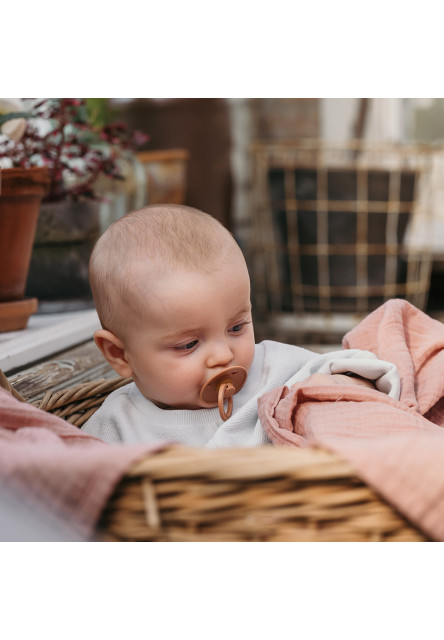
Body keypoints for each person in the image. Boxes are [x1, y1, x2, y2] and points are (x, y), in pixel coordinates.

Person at [82, 204, 400, 447]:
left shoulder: (275, 371)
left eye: (237, 327)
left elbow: (348, 370)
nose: (223, 355)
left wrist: (343, 387)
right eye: (187, 345)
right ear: (119, 355)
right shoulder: (115, 426)